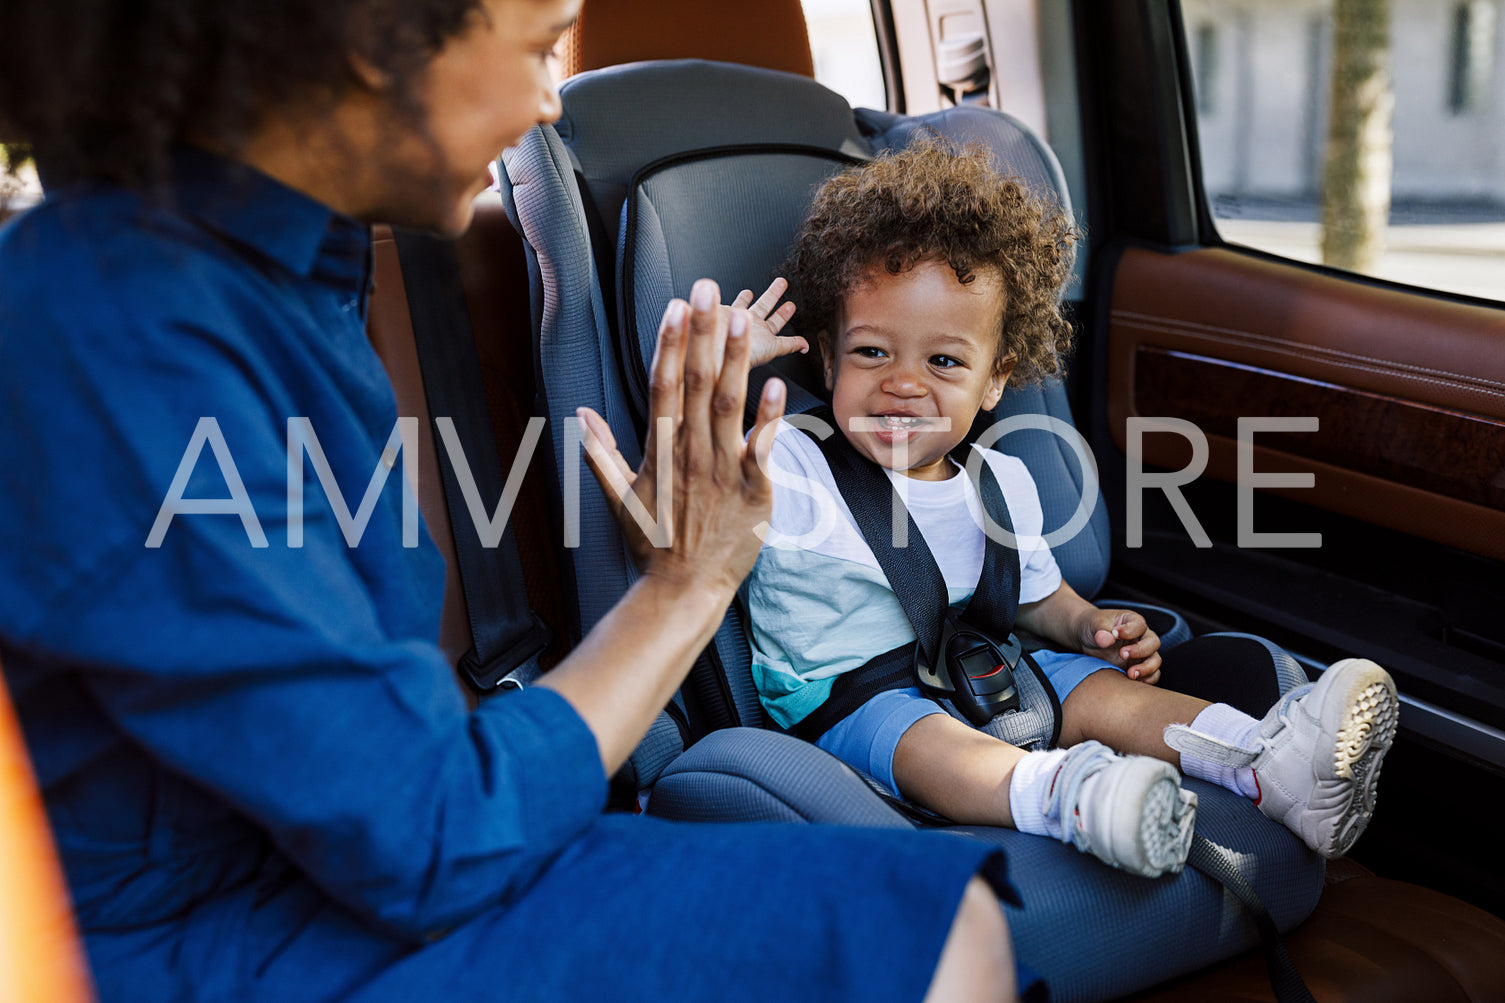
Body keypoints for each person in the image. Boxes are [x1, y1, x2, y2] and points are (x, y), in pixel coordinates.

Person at [0, 3, 1027, 1000]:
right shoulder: (128, 328)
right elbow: (429, 829)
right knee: (927, 937)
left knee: (928, 923)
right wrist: (686, 582)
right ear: (375, 33)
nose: (547, 102)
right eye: (540, 45)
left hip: (336, 873)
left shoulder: (295, 277)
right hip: (207, 940)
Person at [742, 143, 1399, 877]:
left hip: (988, 672)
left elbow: (1037, 599)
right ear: (827, 358)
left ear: (996, 380)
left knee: (1097, 691)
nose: (902, 383)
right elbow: (671, 520)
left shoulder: (999, 481)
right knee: (921, 735)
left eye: (944, 362)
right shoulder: (787, 459)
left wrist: (1088, 624)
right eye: (871, 353)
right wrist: (717, 377)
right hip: (851, 700)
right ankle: (1077, 798)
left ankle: (1268, 761)